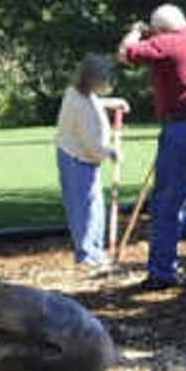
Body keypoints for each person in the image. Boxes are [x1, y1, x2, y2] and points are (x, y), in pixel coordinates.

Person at [116, 3, 186, 285]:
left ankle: (162, 272)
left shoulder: (165, 43)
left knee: (167, 202)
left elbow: (124, 53)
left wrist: (134, 32)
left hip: (182, 127)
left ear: (158, 30)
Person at [54, 56, 129, 272]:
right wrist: (112, 153)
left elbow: (94, 102)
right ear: (92, 80)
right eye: (104, 79)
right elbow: (92, 144)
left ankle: (94, 251)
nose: (108, 82)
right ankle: (87, 256)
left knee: (95, 207)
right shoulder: (80, 105)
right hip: (76, 158)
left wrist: (113, 102)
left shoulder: (81, 94)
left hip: (83, 157)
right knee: (84, 209)